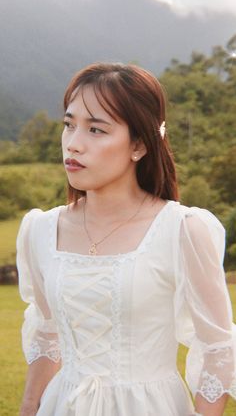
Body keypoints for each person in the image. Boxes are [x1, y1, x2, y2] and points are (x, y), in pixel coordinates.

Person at [17, 62, 236, 416]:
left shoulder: (182, 229)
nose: (73, 144)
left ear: (138, 144)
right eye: (69, 125)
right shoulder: (42, 230)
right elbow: (48, 334)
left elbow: (217, 347)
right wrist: (29, 407)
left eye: (96, 130)